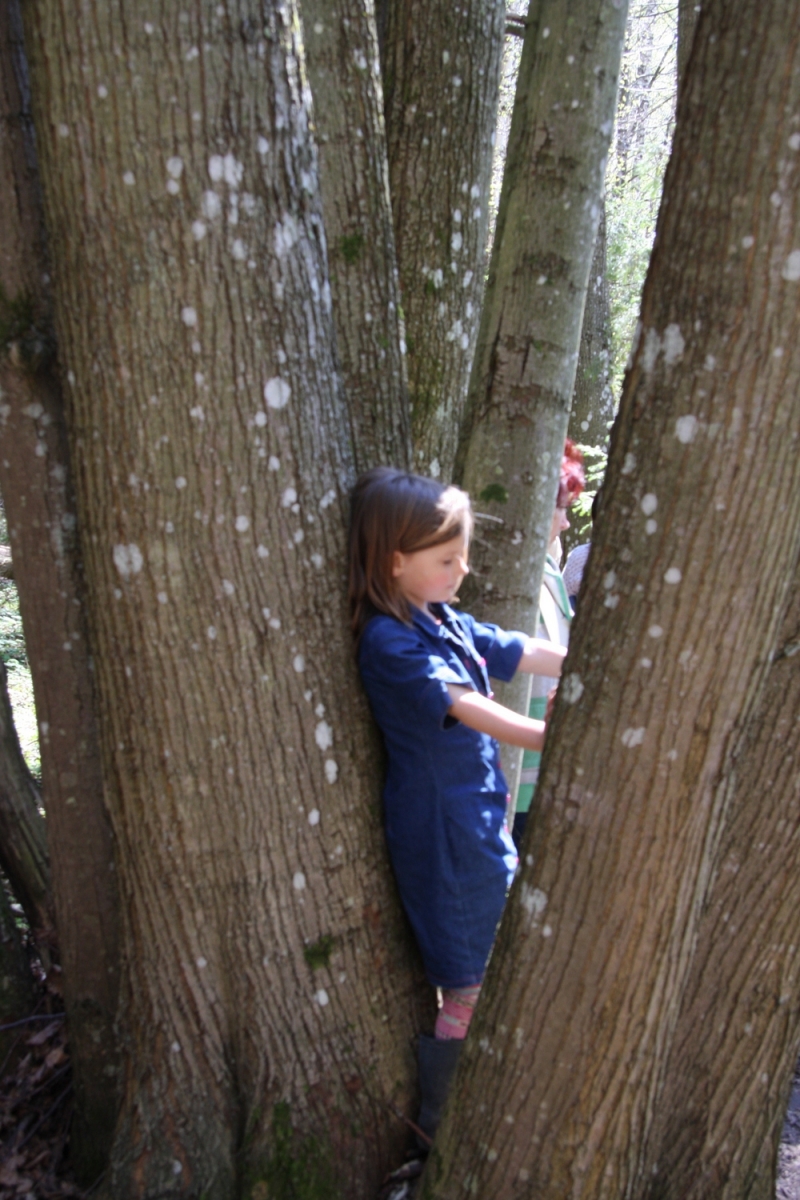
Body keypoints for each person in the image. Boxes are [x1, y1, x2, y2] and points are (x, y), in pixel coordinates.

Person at [349, 467, 565, 1143]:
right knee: (470, 985)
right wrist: (547, 735)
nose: (462, 568)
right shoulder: (389, 640)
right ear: (395, 561)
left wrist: (589, 654)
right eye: (447, 559)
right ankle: (447, 1131)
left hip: (475, 823)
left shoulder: (438, 616)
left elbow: (517, 648)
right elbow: (462, 705)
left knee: (492, 966)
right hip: (445, 836)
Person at [513, 440, 585, 849]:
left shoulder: (550, 573)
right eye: (560, 510)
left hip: (543, 773)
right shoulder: (504, 579)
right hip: (510, 779)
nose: (565, 523)